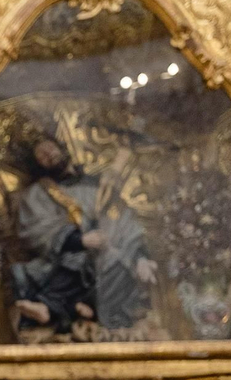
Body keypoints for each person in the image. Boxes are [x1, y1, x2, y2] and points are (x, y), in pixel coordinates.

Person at [11, 137, 157, 338]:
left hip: (105, 259)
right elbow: (35, 230)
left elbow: (124, 222)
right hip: (63, 260)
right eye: (42, 155)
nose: (50, 155)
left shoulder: (96, 186)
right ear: (37, 164)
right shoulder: (38, 194)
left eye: (51, 149)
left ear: (62, 147)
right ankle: (50, 309)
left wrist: (140, 258)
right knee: (75, 262)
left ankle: (85, 309)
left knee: (117, 266)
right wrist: (79, 241)